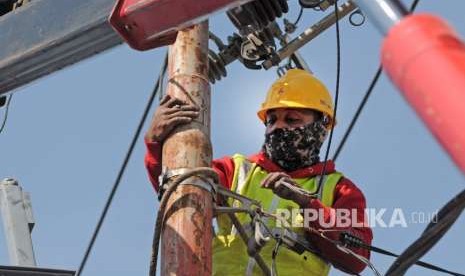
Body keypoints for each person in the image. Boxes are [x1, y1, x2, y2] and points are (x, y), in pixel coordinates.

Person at [145, 69, 372, 275]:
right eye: (272, 120)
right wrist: (156, 144)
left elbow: (358, 258)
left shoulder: (339, 190)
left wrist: (306, 204)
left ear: (321, 127)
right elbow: (180, 192)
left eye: (291, 119)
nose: (278, 127)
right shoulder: (234, 170)